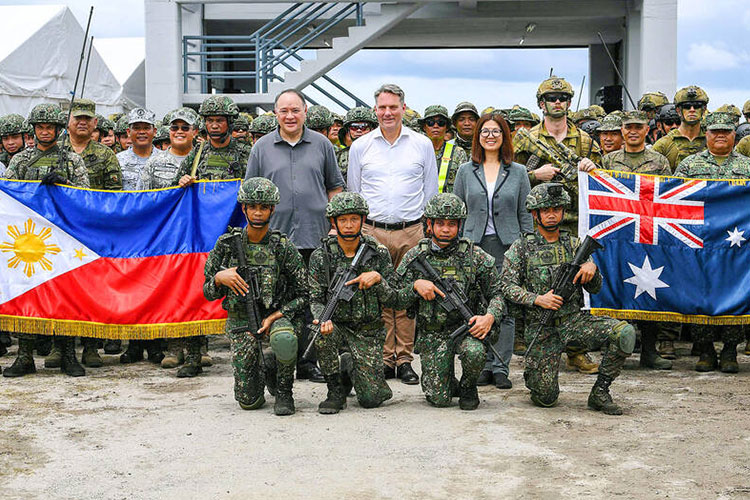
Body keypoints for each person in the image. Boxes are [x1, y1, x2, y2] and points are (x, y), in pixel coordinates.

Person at [500, 183, 635, 415]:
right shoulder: (522, 248)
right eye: (545, 210)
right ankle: (537, 375)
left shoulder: (574, 245)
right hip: (541, 328)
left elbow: (596, 288)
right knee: (545, 398)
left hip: (573, 321)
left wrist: (591, 268)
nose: (551, 214)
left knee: (624, 333)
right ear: (535, 214)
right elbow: (505, 285)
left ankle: (600, 391)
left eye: (556, 209)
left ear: (563, 212)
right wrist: (536, 299)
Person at [245, 88, 344, 383]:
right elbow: (250, 194)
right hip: (275, 240)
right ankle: (279, 359)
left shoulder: (322, 144)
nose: (290, 116)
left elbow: (335, 187)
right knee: (276, 299)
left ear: (305, 112)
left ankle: (308, 361)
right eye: (284, 111)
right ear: (275, 113)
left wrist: (334, 225)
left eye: (295, 110)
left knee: (313, 301)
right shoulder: (260, 148)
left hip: (316, 237)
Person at [347, 83, 438, 384]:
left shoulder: (422, 144)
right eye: (382, 107)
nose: (388, 113)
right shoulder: (361, 146)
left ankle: (406, 360)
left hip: (411, 231)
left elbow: (430, 192)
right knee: (381, 297)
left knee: (409, 296)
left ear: (403, 108)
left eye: (393, 107)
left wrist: (427, 233)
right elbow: (354, 193)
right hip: (373, 232)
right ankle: (387, 359)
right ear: (375, 110)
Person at [512, 75, 602, 375]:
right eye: (552, 98)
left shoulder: (585, 140)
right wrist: (534, 176)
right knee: (535, 281)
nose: (558, 103)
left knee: (573, 286)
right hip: (539, 219)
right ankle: (534, 343)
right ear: (541, 104)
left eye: (563, 98)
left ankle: (576, 350)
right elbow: (508, 176)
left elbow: (603, 182)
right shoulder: (526, 138)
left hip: (575, 220)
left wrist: (592, 168)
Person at [204, 178, 308, 415]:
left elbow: (304, 294)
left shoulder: (282, 247)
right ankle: (266, 367)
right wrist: (221, 278)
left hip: (276, 317)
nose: (258, 213)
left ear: (272, 209)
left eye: (263, 207)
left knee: (284, 339)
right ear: (244, 208)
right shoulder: (227, 244)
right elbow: (208, 291)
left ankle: (284, 391)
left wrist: (276, 316)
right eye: (253, 207)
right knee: (248, 402)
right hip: (242, 320)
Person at [395, 193, 505, 410]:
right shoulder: (415, 256)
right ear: (429, 224)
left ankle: (468, 385)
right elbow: (393, 298)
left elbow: (498, 293)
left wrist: (489, 317)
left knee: (474, 352)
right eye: (441, 224)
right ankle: (447, 381)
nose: (446, 229)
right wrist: (415, 286)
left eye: (452, 224)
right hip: (432, 333)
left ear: (460, 225)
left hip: (467, 330)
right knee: (439, 400)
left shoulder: (475, 256)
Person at [3, 104, 90, 378]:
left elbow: (87, 196)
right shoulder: (19, 161)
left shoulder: (71, 160)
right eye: (39, 127)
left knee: (64, 295)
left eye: (49, 127)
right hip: (26, 239)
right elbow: (7, 198)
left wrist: (65, 184)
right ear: (33, 130)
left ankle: (67, 355)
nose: (44, 131)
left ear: (57, 129)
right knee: (27, 294)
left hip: (62, 240)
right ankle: (24, 356)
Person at [171, 96, 251, 377]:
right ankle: (193, 355)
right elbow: (176, 192)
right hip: (202, 239)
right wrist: (182, 182)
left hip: (237, 233)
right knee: (197, 291)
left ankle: (247, 352)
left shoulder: (245, 153)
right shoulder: (196, 154)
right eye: (210, 121)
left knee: (243, 290)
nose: (215, 125)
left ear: (230, 123)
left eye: (220, 120)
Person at [453, 111, 532, 389]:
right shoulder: (465, 170)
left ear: (504, 136)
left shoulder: (519, 172)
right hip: (473, 247)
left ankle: (500, 367)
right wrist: (457, 247)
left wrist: (527, 247)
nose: (490, 136)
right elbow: (457, 211)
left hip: (507, 246)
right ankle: (482, 365)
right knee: (477, 305)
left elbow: (525, 212)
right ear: (478, 137)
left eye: (496, 132)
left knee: (504, 308)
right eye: (485, 131)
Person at [674, 112, 750, 374]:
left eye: (726, 132)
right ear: (706, 134)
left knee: (735, 291)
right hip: (700, 242)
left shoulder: (747, 167)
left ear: (734, 136)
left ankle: (730, 350)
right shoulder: (688, 165)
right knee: (701, 292)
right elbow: (672, 201)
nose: (720, 135)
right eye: (715, 131)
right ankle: (705, 349)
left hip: (736, 245)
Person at [309, 192, 396, 413]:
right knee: (321, 333)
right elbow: (316, 297)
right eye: (343, 220)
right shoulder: (322, 256)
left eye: (354, 219)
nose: (348, 225)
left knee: (371, 399)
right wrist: (322, 318)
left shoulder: (377, 253)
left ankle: (349, 366)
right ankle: (334, 390)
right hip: (336, 325)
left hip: (368, 331)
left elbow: (397, 298)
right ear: (333, 222)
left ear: (363, 221)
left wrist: (378, 280)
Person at [61, 99, 124, 366]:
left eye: (88, 119)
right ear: (68, 122)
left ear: (95, 123)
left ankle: (90, 347)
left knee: (91, 292)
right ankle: (60, 346)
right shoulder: (57, 151)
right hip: (60, 233)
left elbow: (115, 196)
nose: (83, 122)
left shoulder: (105, 155)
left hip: (93, 233)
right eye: (78, 118)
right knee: (63, 290)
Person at [138, 107, 198, 190]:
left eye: (185, 128)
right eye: (174, 128)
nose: (179, 131)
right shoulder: (154, 162)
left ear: (195, 132)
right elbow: (143, 196)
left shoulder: (202, 160)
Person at [653, 86, 709, 171]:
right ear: (678, 110)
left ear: (704, 109)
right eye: (687, 106)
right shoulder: (664, 144)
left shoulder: (711, 141)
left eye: (697, 106)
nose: (692, 110)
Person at [420, 105, 468, 194]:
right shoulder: (416, 152)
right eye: (430, 122)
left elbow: (465, 186)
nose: (435, 126)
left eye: (441, 123)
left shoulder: (458, 153)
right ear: (424, 127)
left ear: (447, 127)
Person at [116, 108, 160, 191]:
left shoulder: (166, 160)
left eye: (146, 128)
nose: (141, 132)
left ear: (154, 131)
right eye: (136, 128)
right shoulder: (118, 160)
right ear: (128, 132)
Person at [336, 106, 377, 183]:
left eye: (363, 127)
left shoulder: (382, 152)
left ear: (372, 129)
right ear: (348, 131)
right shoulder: (339, 156)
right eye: (354, 127)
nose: (358, 131)